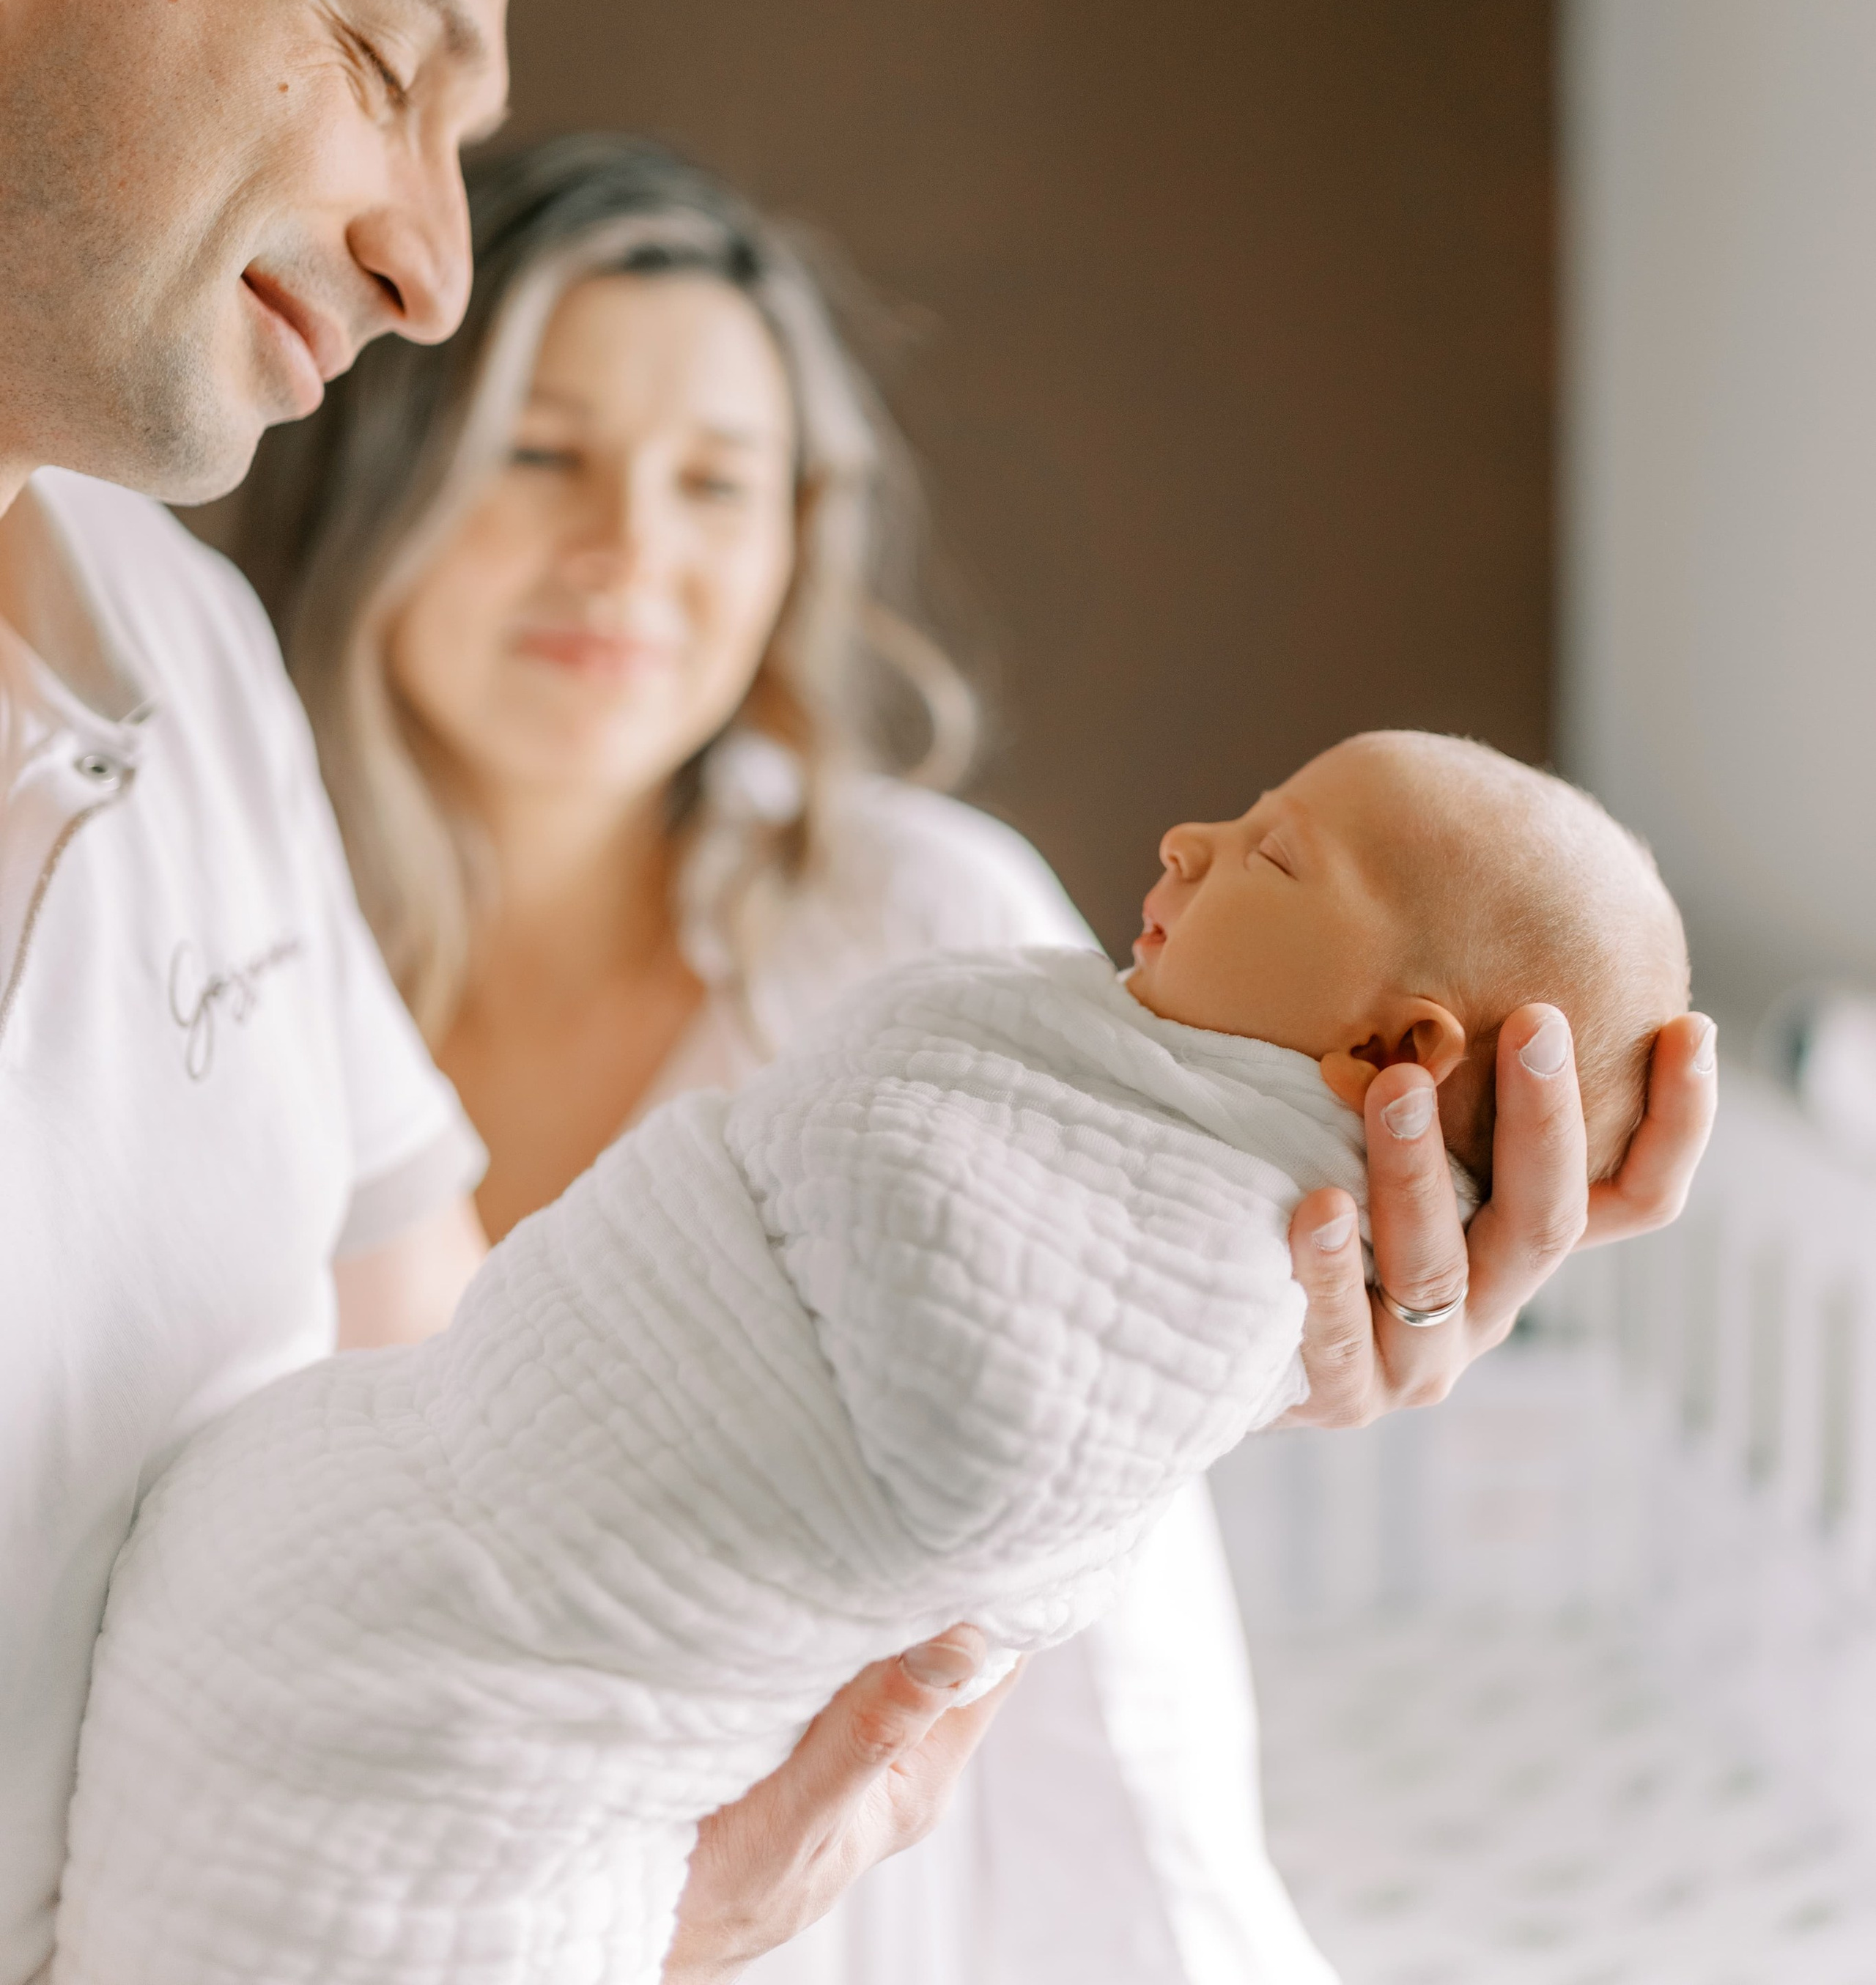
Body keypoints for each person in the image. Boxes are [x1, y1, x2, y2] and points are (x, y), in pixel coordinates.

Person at [0, 0, 1717, 1985]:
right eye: (381, 61)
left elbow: (459, 1483)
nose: (423, 259)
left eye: (716, 485)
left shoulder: (187, 670)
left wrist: (1206, 1338)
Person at [221, 127, 1337, 1981]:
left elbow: (1110, 1685)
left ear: (793, 538)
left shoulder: (920, 938)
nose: (630, 556)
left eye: (718, 485)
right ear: (377, 471)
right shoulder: (204, 937)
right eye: (542, 455)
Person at [53, 731, 1695, 1985]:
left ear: (1391, 1047)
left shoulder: (1172, 1161)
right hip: (350, 1536)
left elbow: (1014, 1468)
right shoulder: (239, 776)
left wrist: (1252, 1377)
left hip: (559, 1773)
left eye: (1268, 855)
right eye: (545, 447)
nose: (1187, 840)